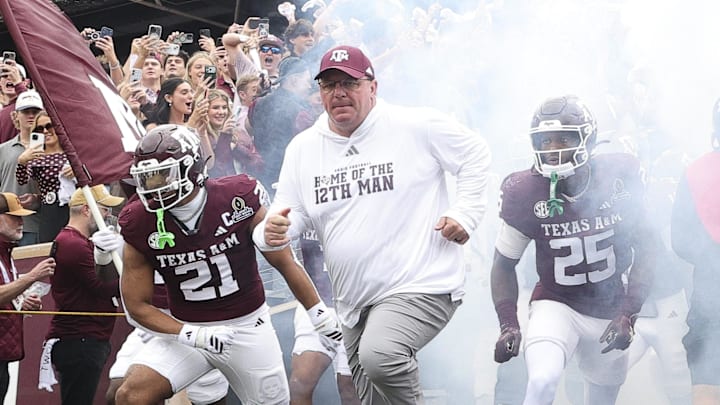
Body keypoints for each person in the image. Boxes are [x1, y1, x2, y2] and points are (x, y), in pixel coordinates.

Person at [256, 45, 491, 404]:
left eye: (349, 83)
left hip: (421, 281)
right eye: (329, 85)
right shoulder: (304, 148)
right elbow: (288, 214)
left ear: (373, 87)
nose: (339, 93)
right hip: (352, 298)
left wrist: (464, 213)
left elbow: (475, 153)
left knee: (380, 356)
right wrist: (272, 231)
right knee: (368, 397)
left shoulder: (415, 124)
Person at [114, 124, 342, 405]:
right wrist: (191, 334)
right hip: (188, 329)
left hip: (246, 327)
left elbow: (284, 260)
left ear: (192, 168)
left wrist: (318, 313)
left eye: (162, 175)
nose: (154, 187)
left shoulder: (236, 197)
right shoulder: (139, 220)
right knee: (130, 396)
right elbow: (136, 307)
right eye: (147, 179)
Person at [490, 95, 655, 405]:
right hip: (557, 303)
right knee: (542, 381)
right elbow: (503, 263)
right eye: (545, 140)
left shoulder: (619, 176)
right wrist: (508, 323)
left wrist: (629, 313)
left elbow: (647, 247)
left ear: (588, 138)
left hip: (609, 308)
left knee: (600, 401)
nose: (553, 150)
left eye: (563, 138)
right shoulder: (524, 190)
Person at [44, 184, 124, 404]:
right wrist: (133, 274)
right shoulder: (73, 243)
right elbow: (101, 287)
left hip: (84, 337)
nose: (108, 215)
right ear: (88, 210)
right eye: (104, 209)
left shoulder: (76, 241)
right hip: (80, 339)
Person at [671, 97, 720, 405]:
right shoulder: (696, 172)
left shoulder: (696, 172)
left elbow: (681, 241)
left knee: (707, 381)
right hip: (710, 300)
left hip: (709, 297)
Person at [289, 230, 360, 405]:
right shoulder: (301, 205)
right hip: (315, 303)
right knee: (299, 384)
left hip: (358, 305)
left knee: (350, 387)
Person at [0, 192, 55, 403]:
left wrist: (22, 303)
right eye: (14, 216)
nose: (21, 222)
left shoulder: (7, 252)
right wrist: (32, 276)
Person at [16, 111, 73, 242]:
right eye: (39, 129)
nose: (45, 131)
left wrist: (78, 171)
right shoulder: (36, 157)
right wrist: (22, 162)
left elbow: (93, 176)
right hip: (51, 210)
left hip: (77, 208)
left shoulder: (73, 152)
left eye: (49, 126)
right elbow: (22, 180)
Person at [0, 90, 44, 245]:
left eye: (35, 111)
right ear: (16, 115)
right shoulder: (3, 149)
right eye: (26, 111)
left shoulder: (52, 148)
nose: (31, 116)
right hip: (7, 223)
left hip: (40, 223)